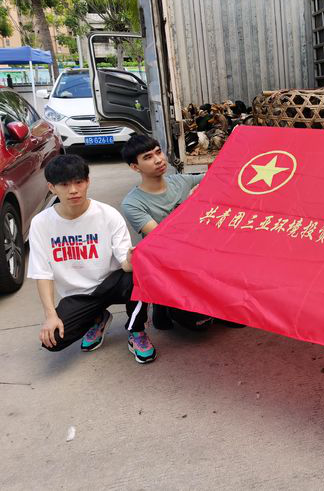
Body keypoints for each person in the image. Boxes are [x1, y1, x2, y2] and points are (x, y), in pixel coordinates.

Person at [29, 154, 156, 364]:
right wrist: (51, 316)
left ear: (88, 181)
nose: (73, 190)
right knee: (53, 340)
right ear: (52, 188)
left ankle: (136, 330)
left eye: (79, 182)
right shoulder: (41, 223)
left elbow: (125, 265)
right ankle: (98, 318)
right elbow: (42, 273)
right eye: (64, 184)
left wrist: (132, 259)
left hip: (112, 283)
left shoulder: (108, 215)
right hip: (79, 294)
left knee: (140, 275)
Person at [121, 134, 215, 331]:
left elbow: (219, 176)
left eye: (158, 152)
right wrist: (192, 205)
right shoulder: (132, 203)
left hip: (199, 256)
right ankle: (162, 302)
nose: (158, 160)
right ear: (135, 167)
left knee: (234, 320)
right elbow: (164, 239)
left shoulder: (181, 181)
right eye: (148, 157)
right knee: (197, 323)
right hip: (168, 263)